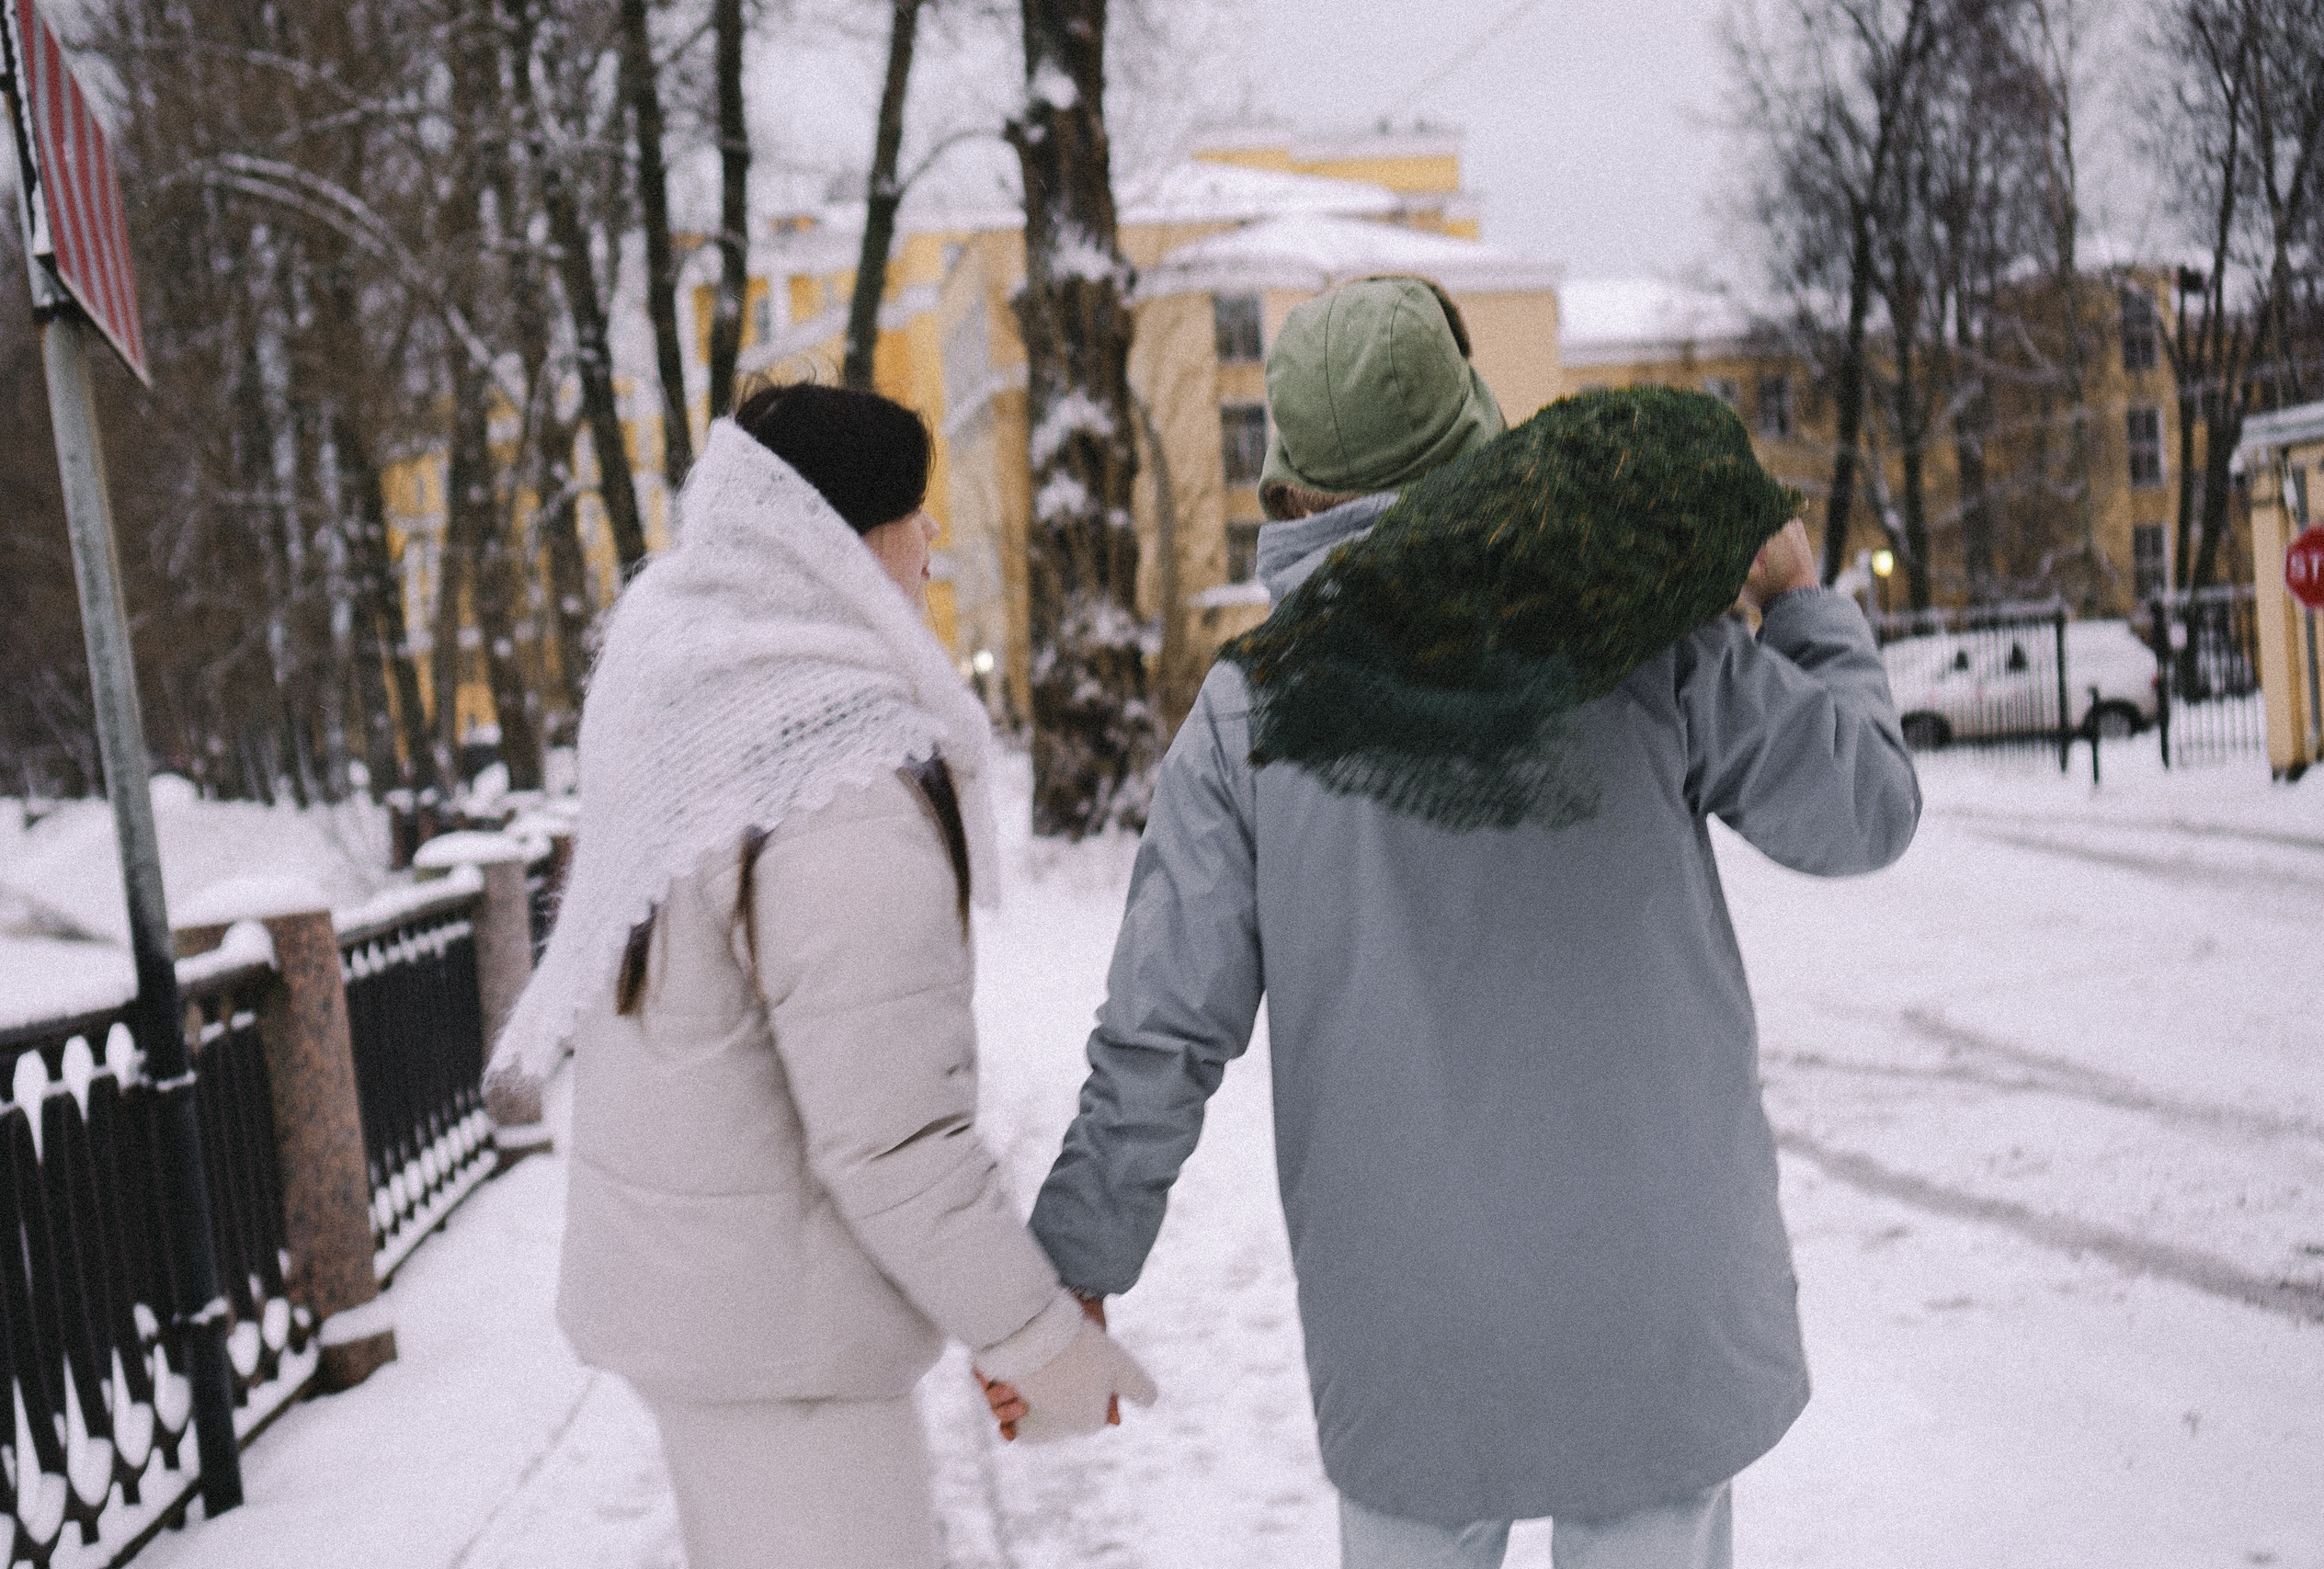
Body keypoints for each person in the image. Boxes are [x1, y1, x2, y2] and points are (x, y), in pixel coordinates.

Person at [1021, 278, 1921, 1569]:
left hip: (1413, 1334)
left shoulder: (1247, 716)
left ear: (1289, 483)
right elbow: (1866, 810)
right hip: (1654, 1313)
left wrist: (1076, 1260)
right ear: (1474, 424)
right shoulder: (1637, 637)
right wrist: (1800, 604)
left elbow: (1160, 1032)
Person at [488, 381, 1153, 1569]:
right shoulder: (834, 771)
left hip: (703, 1318)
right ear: (837, 542)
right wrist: (1040, 1343)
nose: (933, 549)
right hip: (782, 1351)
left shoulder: (683, 698)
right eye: (913, 517)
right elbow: (893, 1137)